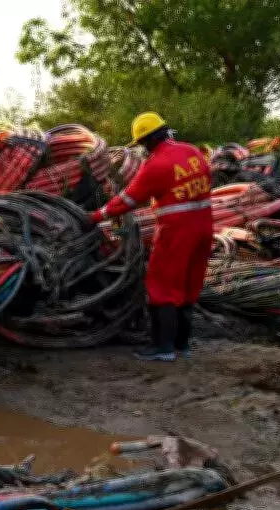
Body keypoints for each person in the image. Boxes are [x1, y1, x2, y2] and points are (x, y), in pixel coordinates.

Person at [87, 112, 213, 361]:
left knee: (161, 284)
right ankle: (181, 344)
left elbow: (127, 201)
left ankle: (162, 347)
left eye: (143, 144)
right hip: (204, 227)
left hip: (175, 233)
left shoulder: (155, 165)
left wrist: (94, 217)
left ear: (148, 141)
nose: (143, 149)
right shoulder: (193, 152)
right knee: (190, 282)